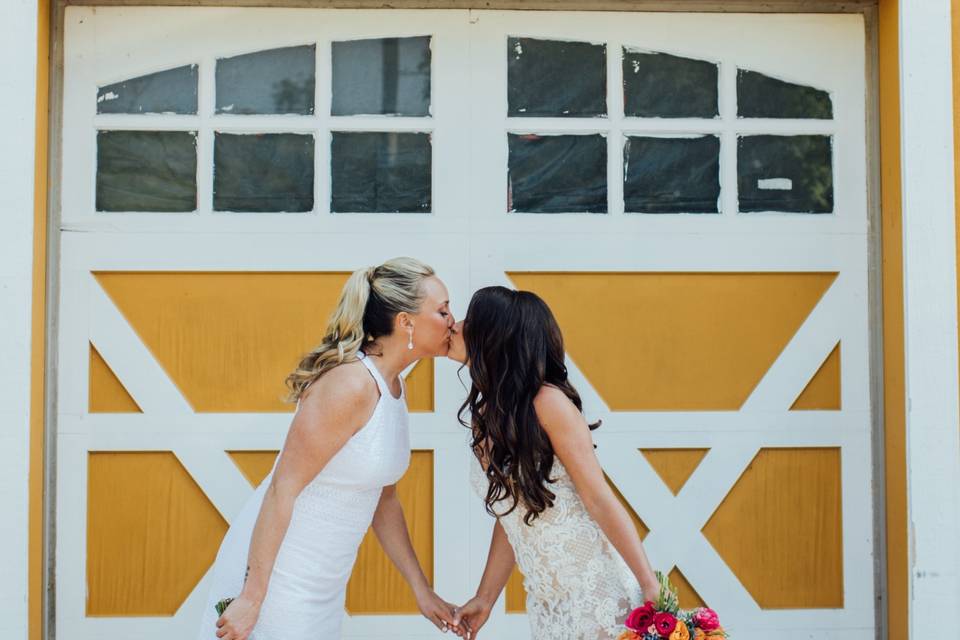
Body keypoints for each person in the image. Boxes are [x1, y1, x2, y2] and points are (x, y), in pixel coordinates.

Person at [197, 257, 461, 640]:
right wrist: (253, 597)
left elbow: (383, 498)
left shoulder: (393, 387)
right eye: (442, 310)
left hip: (323, 584)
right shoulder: (350, 385)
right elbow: (281, 488)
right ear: (405, 322)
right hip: (280, 577)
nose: (452, 320)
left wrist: (421, 590)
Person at [448, 286, 660, 640]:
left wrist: (649, 584)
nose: (455, 324)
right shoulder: (488, 414)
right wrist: (485, 599)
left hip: (597, 593)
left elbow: (598, 497)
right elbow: (513, 510)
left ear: (494, 337)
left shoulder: (549, 403)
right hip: (549, 603)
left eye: (469, 319)